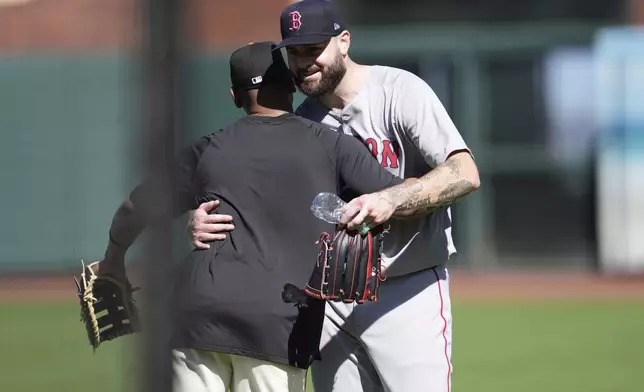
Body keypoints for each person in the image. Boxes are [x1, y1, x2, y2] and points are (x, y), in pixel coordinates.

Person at [94, 40, 441, 392]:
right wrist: (434, 178)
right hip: (276, 325)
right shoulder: (331, 143)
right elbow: (403, 199)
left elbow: (134, 208)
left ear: (234, 96)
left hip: (194, 318)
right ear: (291, 85)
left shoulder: (207, 149)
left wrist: (113, 260)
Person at [188, 1, 482, 392]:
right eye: (295, 52)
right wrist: (199, 218)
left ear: (343, 42)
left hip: (405, 289)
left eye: (314, 49)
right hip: (328, 298)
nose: (304, 61)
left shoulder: (399, 91)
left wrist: (392, 198)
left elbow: (465, 171)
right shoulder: (299, 122)